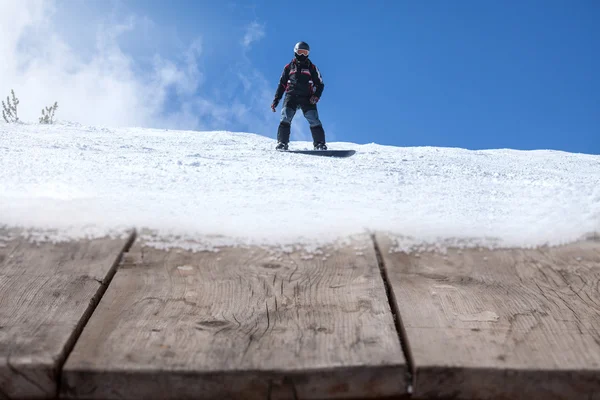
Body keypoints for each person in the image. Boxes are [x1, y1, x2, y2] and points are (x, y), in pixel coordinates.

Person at [271, 41, 327, 150]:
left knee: (314, 119)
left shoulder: (312, 67)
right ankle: (282, 143)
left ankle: (319, 144)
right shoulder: (289, 67)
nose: (302, 55)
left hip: (307, 97)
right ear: (296, 52)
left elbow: (320, 84)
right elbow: (282, 84)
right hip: (291, 96)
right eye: (301, 52)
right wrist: (276, 100)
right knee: (285, 117)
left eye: (305, 53)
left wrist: (316, 96)